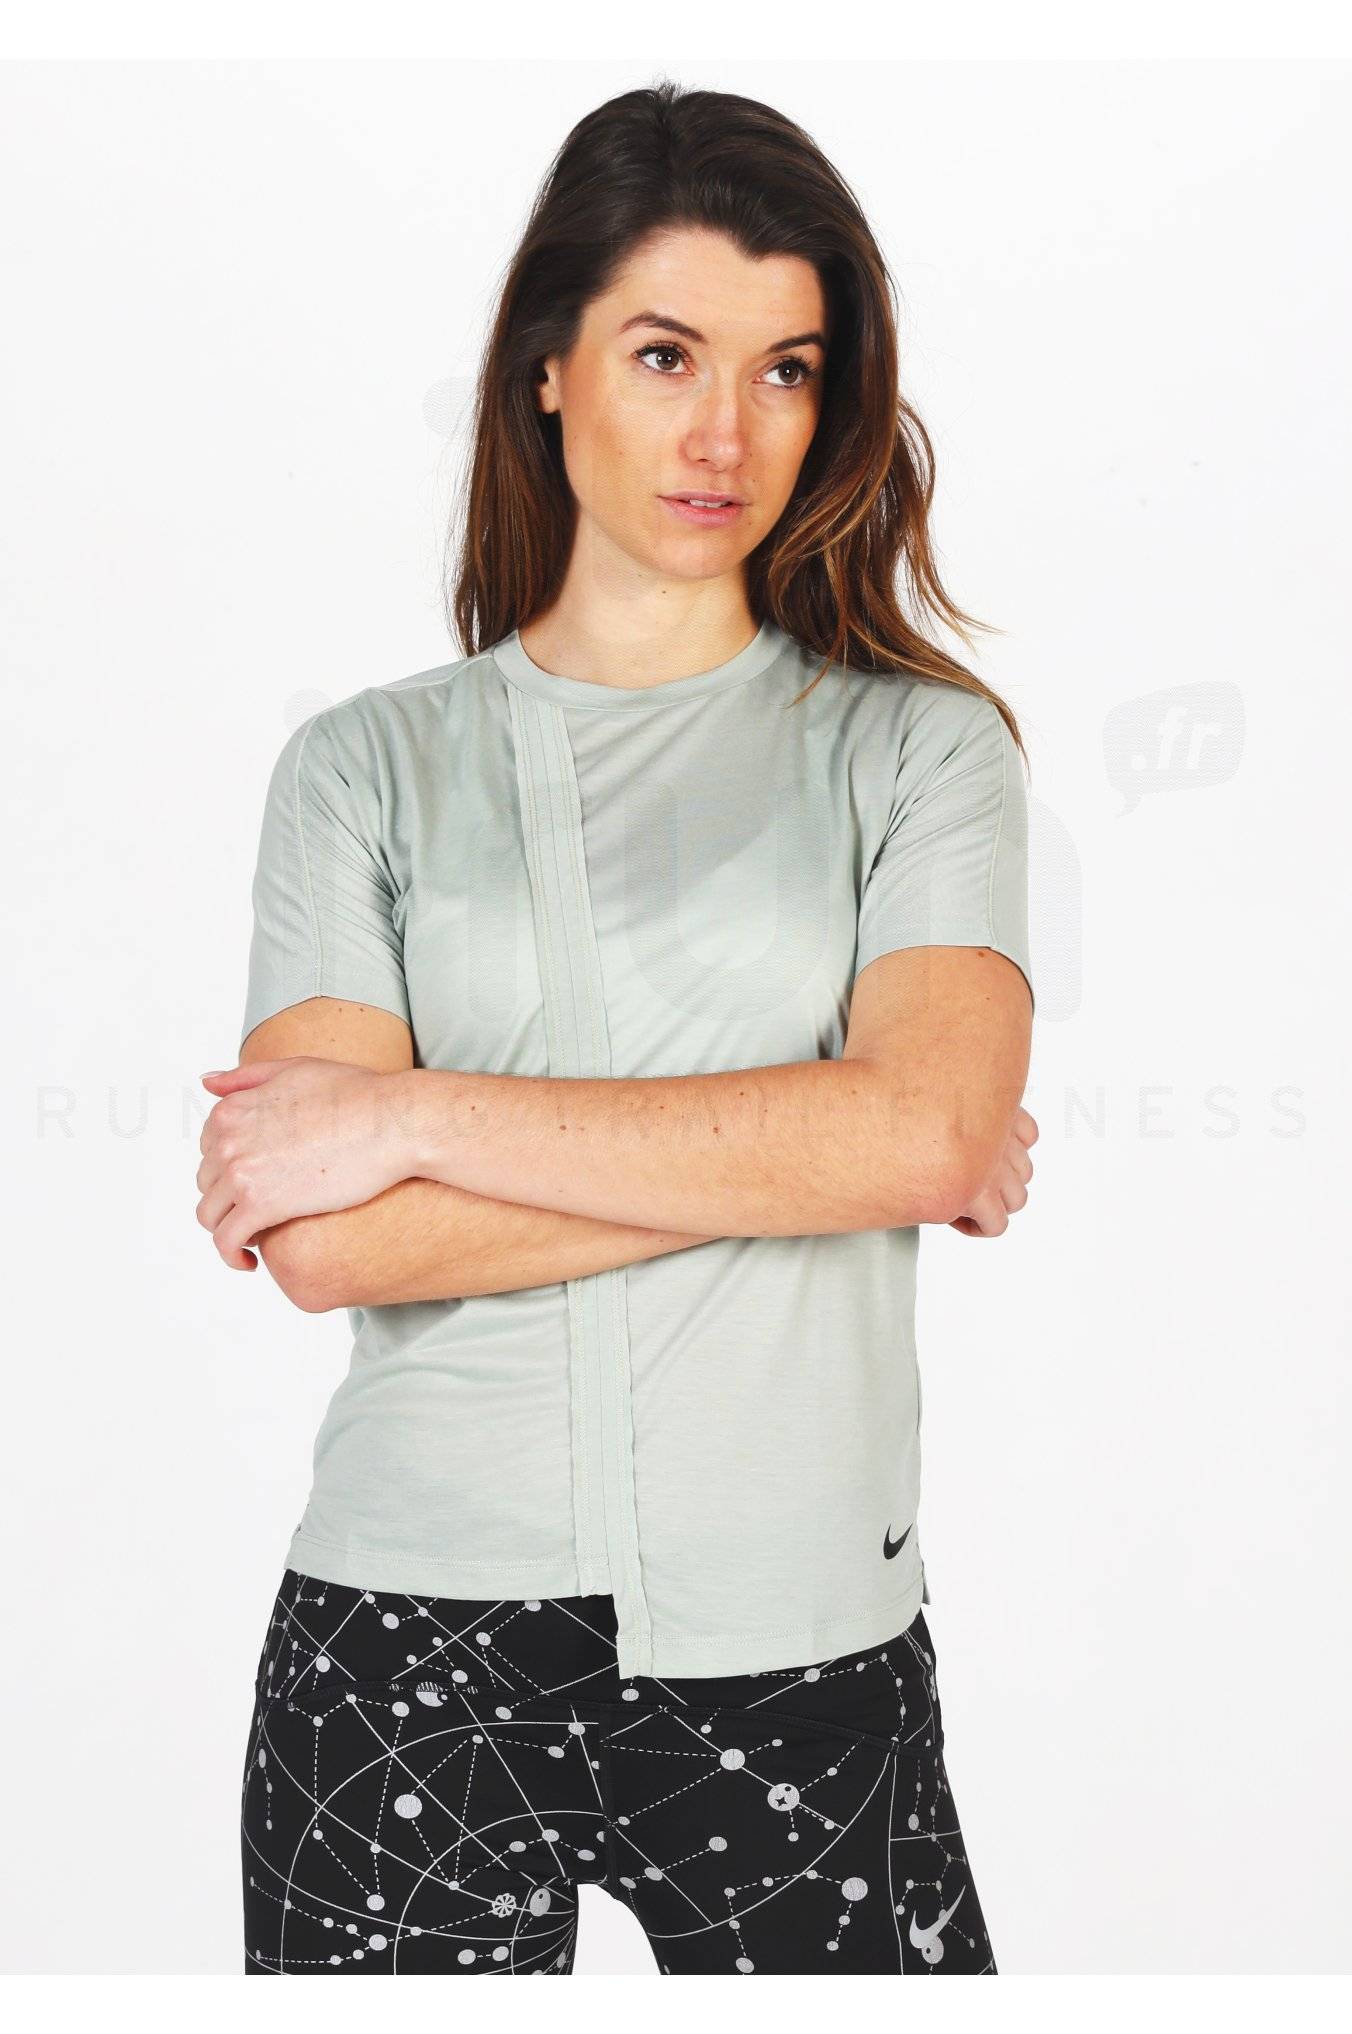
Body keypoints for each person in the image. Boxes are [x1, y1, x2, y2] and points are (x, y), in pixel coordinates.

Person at [198, 79, 1037, 1977]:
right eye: (667, 355)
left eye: (786, 369)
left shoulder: (923, 751)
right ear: (549, 367)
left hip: (800, 1634)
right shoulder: (363, 769)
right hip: (402, 1640)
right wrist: (821, 1146)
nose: (726, 432)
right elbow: (327, 1244)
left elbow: (923, 1135)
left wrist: (412, 1115)